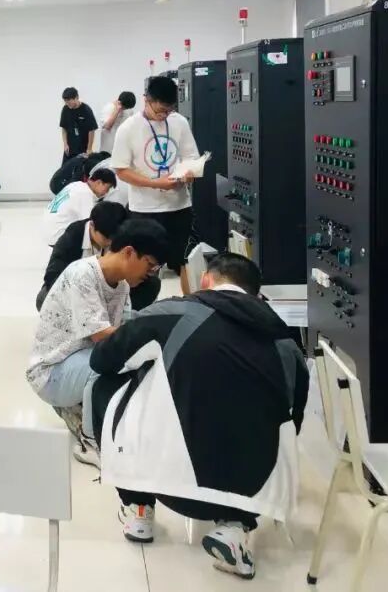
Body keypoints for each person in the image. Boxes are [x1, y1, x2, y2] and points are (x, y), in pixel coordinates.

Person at [89, 253, 309, 579]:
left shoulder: (173, 313)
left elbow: (102, 359)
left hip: (167, 482)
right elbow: (296, 420)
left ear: (206, 280)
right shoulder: (286, 343)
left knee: (105, 385)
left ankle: (138, 508)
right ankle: (234, 529)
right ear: (255, 293)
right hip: (253, 492)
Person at [27, 220, 168, 465]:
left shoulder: (121, 286)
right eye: (150, 265)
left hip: (77, 364)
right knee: (105, 362)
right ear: (129, 252)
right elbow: (102, 335)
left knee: (129, 362)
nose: (150, 274)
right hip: (51, 372)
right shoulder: (83, 274)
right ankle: (90, 442)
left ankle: (92, 414)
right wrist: (149, 333)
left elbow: (121, 332)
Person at [112, 76, 200, 295]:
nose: (164, 116)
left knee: (186, 261)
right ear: (147, 100)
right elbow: (121, 170)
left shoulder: (179, 122)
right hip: (145, 209)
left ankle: (191, 306)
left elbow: (191, 157)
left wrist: (189, 173)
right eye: (160, 111)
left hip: (179, 206)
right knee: (144, 266)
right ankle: (140, 309)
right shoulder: (129, 128)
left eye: (169, 111)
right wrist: (154, 183)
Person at [37, 201, 161, 312]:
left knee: (151, 285)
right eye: (106, 238)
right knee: (45, 297)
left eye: (114, 238)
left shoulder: (124, 236)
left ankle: (122, 317)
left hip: (113, 290)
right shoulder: (73, 236)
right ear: (92, 225)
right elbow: (52, 274)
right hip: (79, 291)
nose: (110, 242)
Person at [41, 168, 117, 246]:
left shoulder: (76, 184)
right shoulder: (85, 194)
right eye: (108, 188)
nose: (107, 192)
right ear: (99, 182)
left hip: (49, 232)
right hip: (58, 237)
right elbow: (91, 224)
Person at [59, 87, 98, 163]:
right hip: (69, 149)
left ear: (76, 97)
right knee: (65, 169)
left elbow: (91, 130)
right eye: (65, 101)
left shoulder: (86, 110)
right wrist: (65, 144)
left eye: (69, 100)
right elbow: (64, 128)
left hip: (83, 149)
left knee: (79, 169)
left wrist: (89, 149)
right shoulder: (65, 109)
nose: (67, 103)